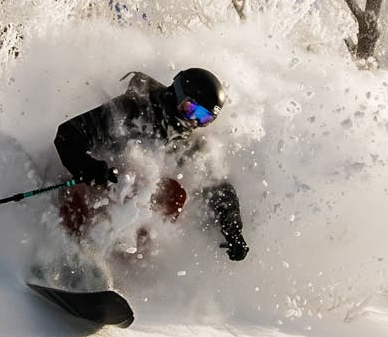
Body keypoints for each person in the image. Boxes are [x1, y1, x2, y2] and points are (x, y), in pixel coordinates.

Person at [52, 67, 250, 260]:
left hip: (120, 209)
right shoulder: (134, 109)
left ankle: (120, 262)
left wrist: (233, 230)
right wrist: (88, 166)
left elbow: (217, 187)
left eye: (204, 118)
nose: (193, 121)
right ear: (178, 94)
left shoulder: (187, 143)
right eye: (192, 110)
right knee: (133, 180)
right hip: (86, 184)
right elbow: (68, 134)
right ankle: (71, 245)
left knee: (172, 195)